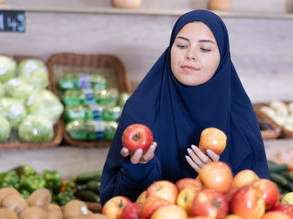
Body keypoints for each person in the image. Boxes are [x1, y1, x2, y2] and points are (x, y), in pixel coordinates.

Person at [100, 9, 269, 206]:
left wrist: (220, 177)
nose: (190, 55)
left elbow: (259, 200)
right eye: (181, 45)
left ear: (222, 58)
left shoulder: (239, 116)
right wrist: (140, 167)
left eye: (204, 49)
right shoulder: (140, 110)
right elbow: (114, 201)